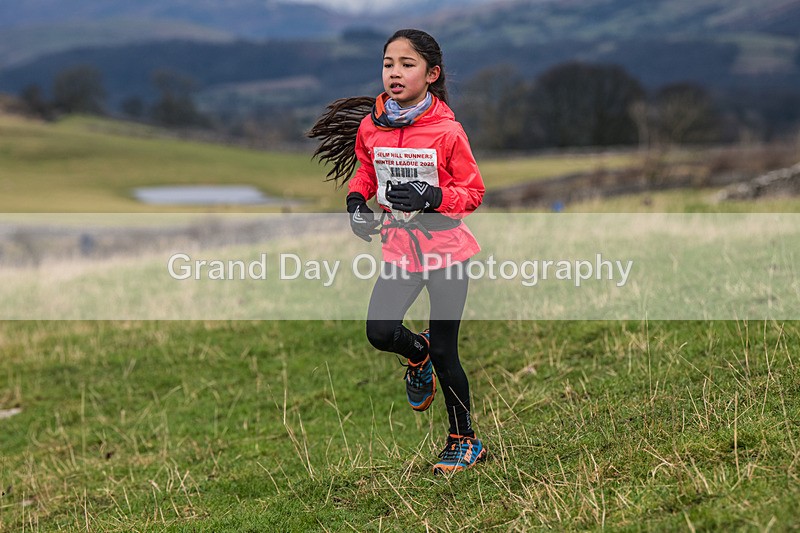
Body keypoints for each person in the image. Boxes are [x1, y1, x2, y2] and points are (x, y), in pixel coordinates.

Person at [308, 29, 486, 474]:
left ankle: (464, 441)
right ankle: (415, 352)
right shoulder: (372, 126)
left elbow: (473, 192)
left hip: (447, 253)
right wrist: (356, 202)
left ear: (432, 74)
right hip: (400, 252)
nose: (395, 73)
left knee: (446, 352)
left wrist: (433, 197)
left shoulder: (448, 131)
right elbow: (366, 171)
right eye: (389, 63)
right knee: (380, 331)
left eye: (407, 64)